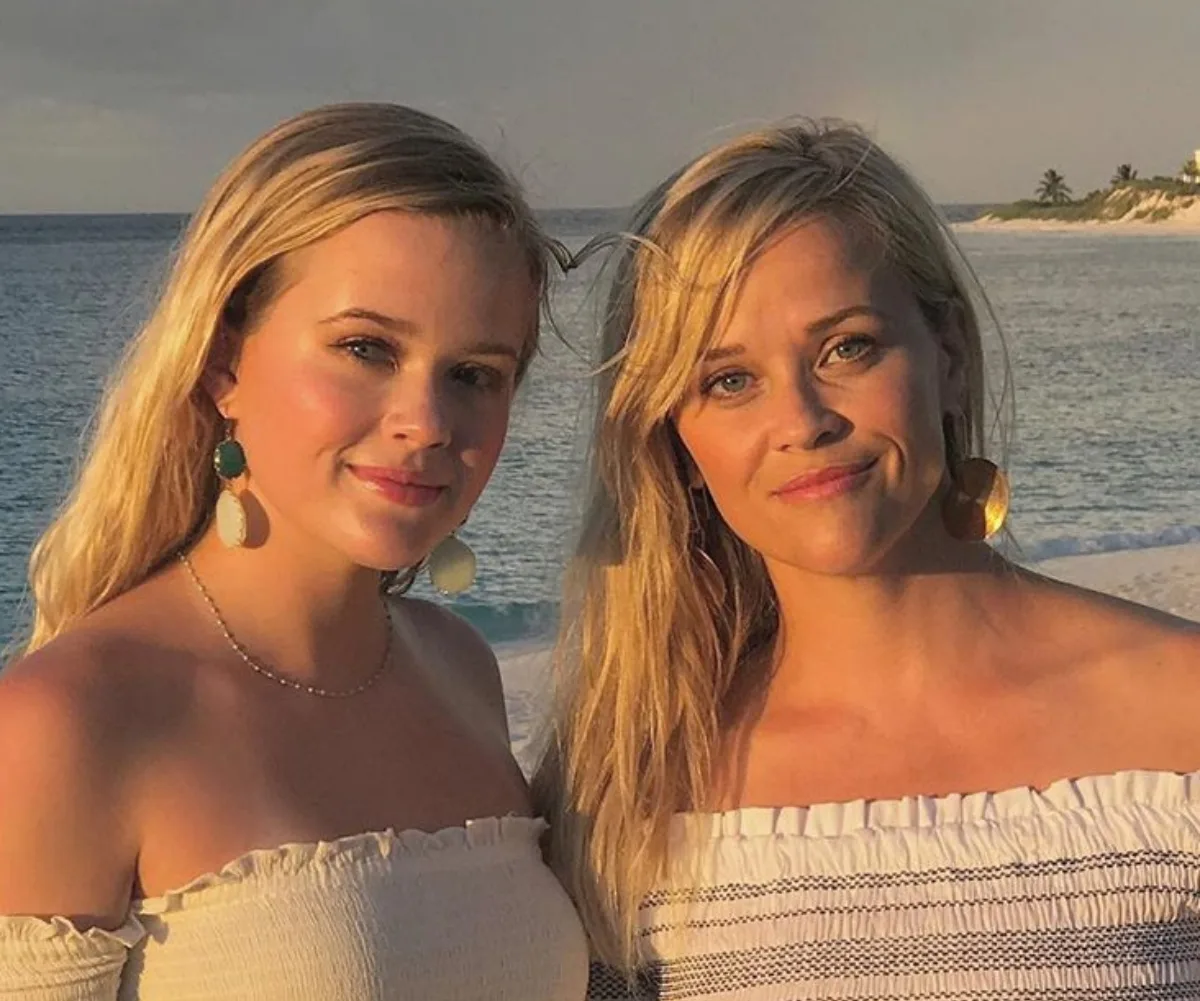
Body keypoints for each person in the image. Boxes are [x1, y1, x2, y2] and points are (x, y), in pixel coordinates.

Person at [535, 120, 1200, 999]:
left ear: (950, 357)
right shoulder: (621, 784)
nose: (804, 419)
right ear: (673, 438)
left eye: (846, 347)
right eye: (728, 380)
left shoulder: (1177, 717)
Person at [0, 103, 588, 1000]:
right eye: (366, 348)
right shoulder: (71, 721)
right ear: (223, 363)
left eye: (474, 374)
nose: (425, 423)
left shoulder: (460, 668)